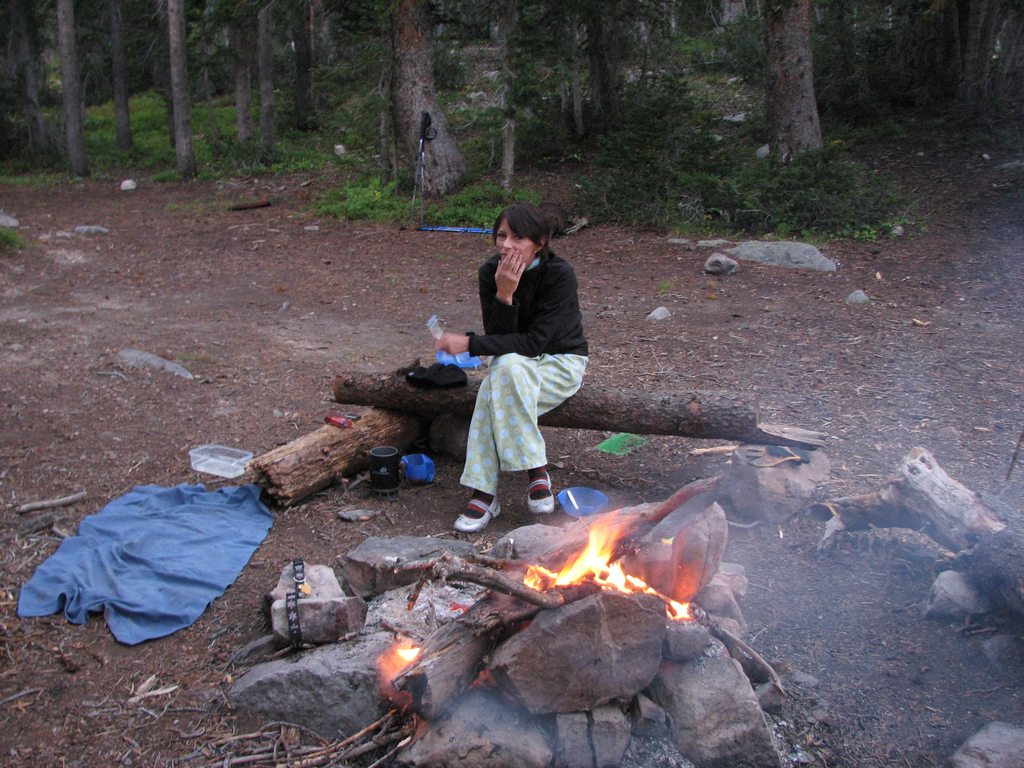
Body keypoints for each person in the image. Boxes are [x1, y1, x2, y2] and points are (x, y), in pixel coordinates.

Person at [433, 202, 589, 532]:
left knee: (497, 382)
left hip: (560, 363)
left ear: (540, 242)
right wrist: (504, 293)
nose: (506, 245)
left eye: (518, 238)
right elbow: (501, 340)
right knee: (505, 371)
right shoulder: (490, 272)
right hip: (513, 367)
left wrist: (470, 343)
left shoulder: (558, 275)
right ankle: (537, 473)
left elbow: (534, 343)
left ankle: (484, 493)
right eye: (501, 236)